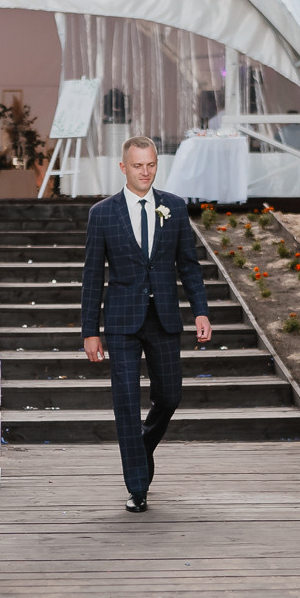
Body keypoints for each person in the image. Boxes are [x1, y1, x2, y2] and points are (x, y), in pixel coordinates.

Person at [80, 136, 211, 513]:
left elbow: (188, 264)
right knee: (125, 400)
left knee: (170, 396)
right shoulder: (103, 214)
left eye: (151, 164)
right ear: (123, 168)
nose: (145, 171)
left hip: (164, 317)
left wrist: (200, 310)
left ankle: (140, 446)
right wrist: (90, 330)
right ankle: (137, 487)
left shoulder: (175, 207)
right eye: (138, 165)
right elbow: (92, 276)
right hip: (121, 320)